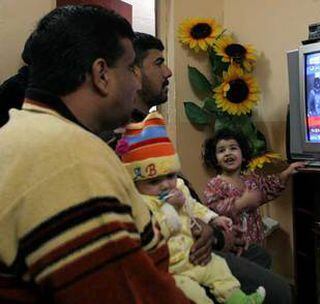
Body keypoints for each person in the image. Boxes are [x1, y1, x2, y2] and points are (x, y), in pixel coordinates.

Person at [0, 5, 193, 303]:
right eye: (131, 68)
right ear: (102, 74)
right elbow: (127, 292)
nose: (138, 82)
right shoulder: (70, 156)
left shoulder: (23, 130)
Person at [129, 32, 294, 304]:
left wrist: (218, 230)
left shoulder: (151, 131)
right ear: (131, 72)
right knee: (281, 294)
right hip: (185, 253)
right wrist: (216, 236)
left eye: (234, 149)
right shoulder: (126, 145)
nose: (169, 71)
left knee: (261, 257)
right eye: (159, 63)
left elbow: (193, 202)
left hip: (211, 238)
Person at [116, 112, 266, 304]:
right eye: (154, 181)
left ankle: (238, 300)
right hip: (174, 268)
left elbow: (195, 206)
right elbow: (155, 231)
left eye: (169, 176)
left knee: (220, 269)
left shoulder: (178, 186)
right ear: (137, 183)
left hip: (196, 256)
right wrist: (169, 209)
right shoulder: (142, 202)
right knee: (194, 295)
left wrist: (213, 219)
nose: (165, 185)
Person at [202, 128, 304, 268]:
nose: (228, 153)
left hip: (257, 244)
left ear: (243, 155)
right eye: (221, 150)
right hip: (234, 249)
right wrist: (241, 203)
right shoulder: (214, 185)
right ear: (215, 159)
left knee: (261, 276)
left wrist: (286, 173)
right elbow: (213, 211)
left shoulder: (250, 180)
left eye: (233, 148)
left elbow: (268, 186)